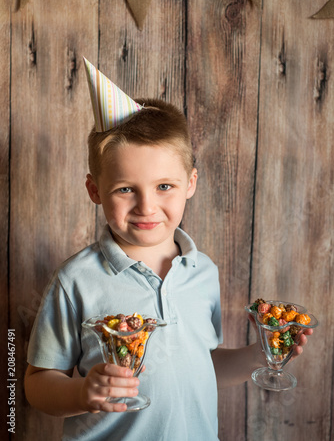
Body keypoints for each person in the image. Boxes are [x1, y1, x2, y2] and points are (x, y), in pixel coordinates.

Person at [24, 59, 312, 441]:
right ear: (95, 190)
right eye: (125, 189)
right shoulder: (76, 280)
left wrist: (261, 356)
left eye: (164, 187)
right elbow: (36, 384)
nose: (147, 207)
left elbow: (199, 365)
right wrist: (83, 392)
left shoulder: (202, 271)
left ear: (190, 183)